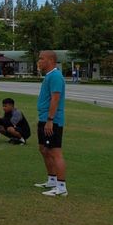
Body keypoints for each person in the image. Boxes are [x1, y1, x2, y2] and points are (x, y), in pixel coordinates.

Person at [35, 50, 68, 197]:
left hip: (51, 120)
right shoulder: (49, 76)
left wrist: (50, 120)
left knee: (55, 152)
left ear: (50, 60)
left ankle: (61, 187)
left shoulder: (55, 76)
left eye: (41, 59)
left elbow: (55, 99)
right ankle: (52, 180)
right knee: (44, 149)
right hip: (44, 118)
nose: (39, 61)